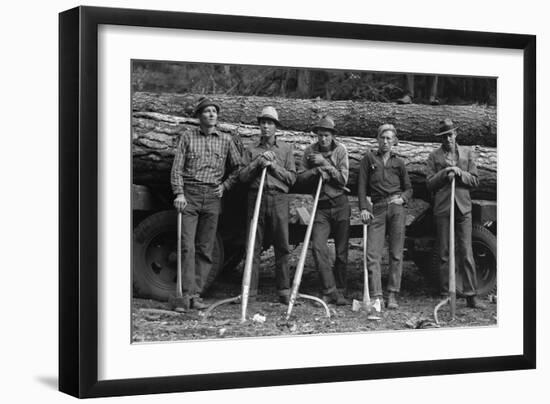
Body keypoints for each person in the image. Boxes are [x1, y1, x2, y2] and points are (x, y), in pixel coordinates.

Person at [170, 97, 242, 309]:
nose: (211, 114)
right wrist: (179, 193)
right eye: (207, 111)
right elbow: (177, 168)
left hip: (212, 196)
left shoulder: (226, 140)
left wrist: (225, 186)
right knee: (186, 246)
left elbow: (238, 168)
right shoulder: (188, 137)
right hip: (189, 195)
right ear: (199, 116)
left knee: (205, 248)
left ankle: (196, 295)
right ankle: (184, 296)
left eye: (214, 111)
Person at [426, 118, 487, 309]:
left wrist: (460, 173)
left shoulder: (467, 154)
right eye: (444, 137)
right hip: (443, 208)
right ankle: (446, 294)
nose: (447, 139)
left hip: (463, 208)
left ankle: (471, 295)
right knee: (444, 252)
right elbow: (429, 184)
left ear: (456, 134)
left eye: (450, 135)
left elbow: (475, 181)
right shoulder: (433, 157)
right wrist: (445, 174)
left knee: (466, 251)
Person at [239, 106, 296, 304]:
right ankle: (249, 292)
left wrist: (273, 166)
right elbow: (242, 177)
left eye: (269, 123)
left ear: (275, 127)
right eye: (263, 122)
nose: (265, 126)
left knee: (282, 245)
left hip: (279, 199)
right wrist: (258, 163)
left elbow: (291, 179)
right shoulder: (251, 149)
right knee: (253, 245)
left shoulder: (286, 149)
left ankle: (284, 291)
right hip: (257, 197)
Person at [358, 124, 412, 310]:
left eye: (390, 138)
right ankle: (377, 296)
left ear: (394, 141)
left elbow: (409, 188)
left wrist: (402, 199)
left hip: (396, 208)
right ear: (378, 139)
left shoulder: (399, 163)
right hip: (378, 208)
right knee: (372, 253)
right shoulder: (369, 159)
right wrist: (364, 208)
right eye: (383, 138)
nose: (386, 141)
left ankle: (392, 294)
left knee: (396, 253)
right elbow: (362, 187)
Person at [297, 116, 350, 305]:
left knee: (341, 250)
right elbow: (300, 177)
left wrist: (324, 164)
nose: (323, 139)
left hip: (340, 204)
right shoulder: (309, 152)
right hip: (321, 206)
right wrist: (314, 171)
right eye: (320, 135)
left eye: (326, 135)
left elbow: (343, 179)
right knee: (318, 247)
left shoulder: (341, 150)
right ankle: (329, 289)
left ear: (333, 135)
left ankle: (341, 290)